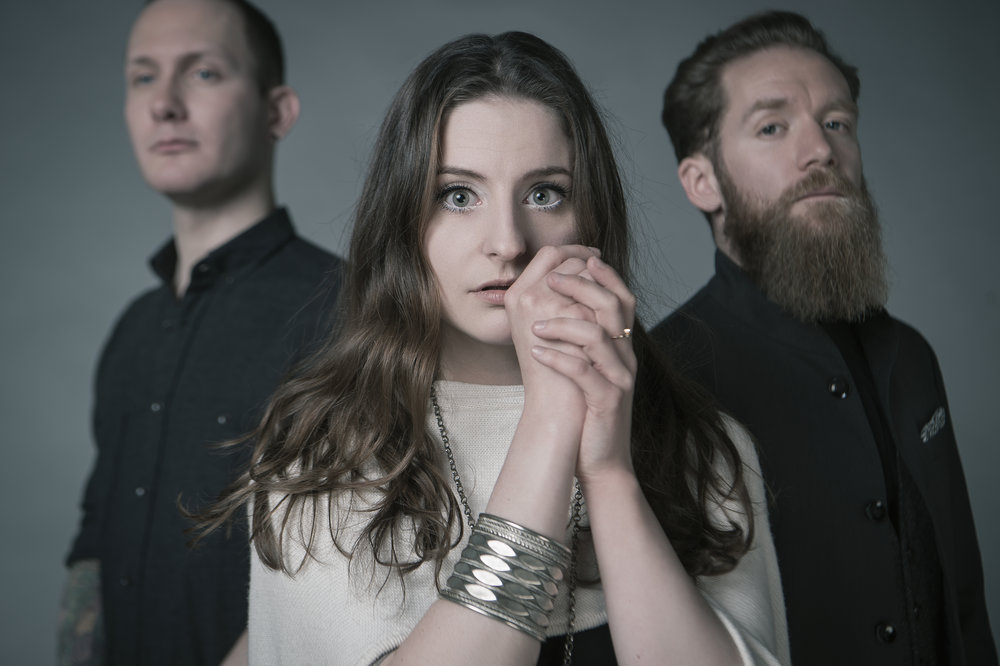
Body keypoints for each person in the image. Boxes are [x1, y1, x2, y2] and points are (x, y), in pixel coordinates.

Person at [197, 31, 788, 665]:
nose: (508, 242)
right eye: (458, 196)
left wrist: (610, 475)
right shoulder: (318, 455)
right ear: (403, 223)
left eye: (544, 194)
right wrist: (549, 422)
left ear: (592, 220)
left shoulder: (706, 447)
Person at [651, 10, 996, 666]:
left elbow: (963, 608)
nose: (822, 151)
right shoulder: (661, 381)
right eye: (772, 127)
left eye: (837, 123)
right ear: (703, 182)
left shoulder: (912, 357)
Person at [59, 0, 342, 664]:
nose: (164, 104)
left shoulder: (347, 313)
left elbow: (346, 568)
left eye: (204, 73)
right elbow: (94, 549)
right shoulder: (131, 331)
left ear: (277, 112)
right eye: (143, 77)